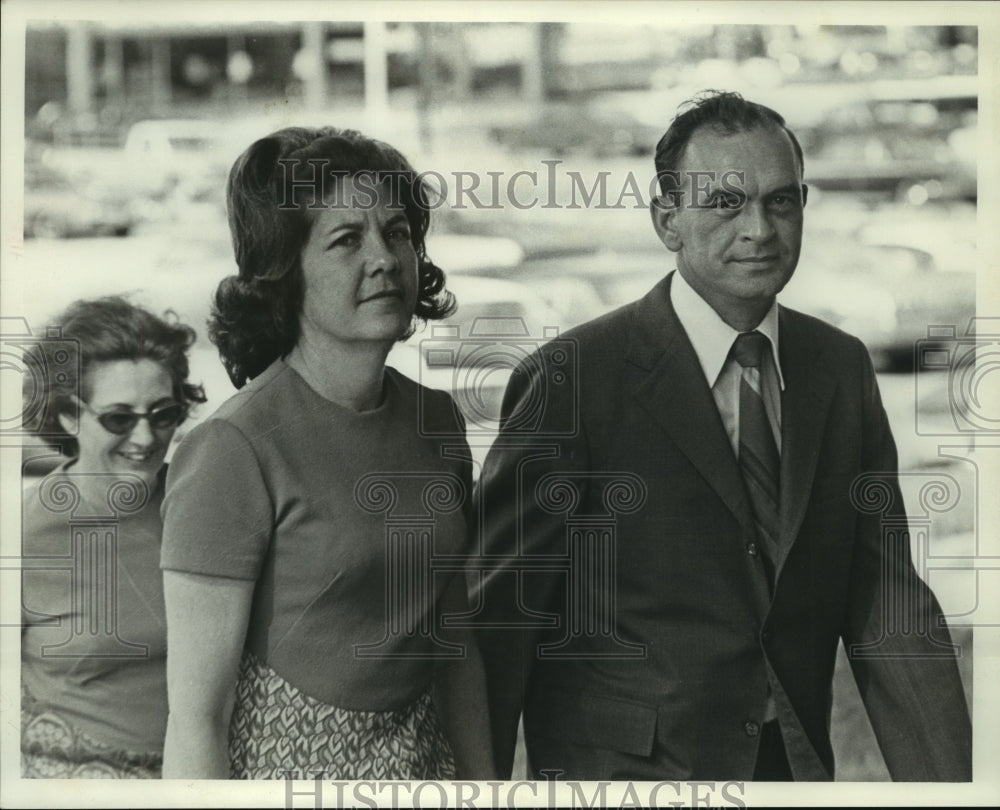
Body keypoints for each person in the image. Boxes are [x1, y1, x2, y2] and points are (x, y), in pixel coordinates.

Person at [473, 91, 972, 781]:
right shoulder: (572, 380)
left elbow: (885, 601)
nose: (759, 229)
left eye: (780, 201)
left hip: (788, 772)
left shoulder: (839, 368)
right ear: (666, 219)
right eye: (726, 203)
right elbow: (501, 623)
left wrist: (951, 792)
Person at [160, 126, 493, 779]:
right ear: (286, 276)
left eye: (397, 233)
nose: (385, 258)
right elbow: (196, 719)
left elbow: (457, 648)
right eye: (346, 240)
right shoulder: (231, 450)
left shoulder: (437, 421)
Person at [20, 296, 205, 778]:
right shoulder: (22, 535)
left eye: (163, 413)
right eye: (119, 419)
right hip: (72, 772)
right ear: (66, 415)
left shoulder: (206, 501)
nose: (145, 439)